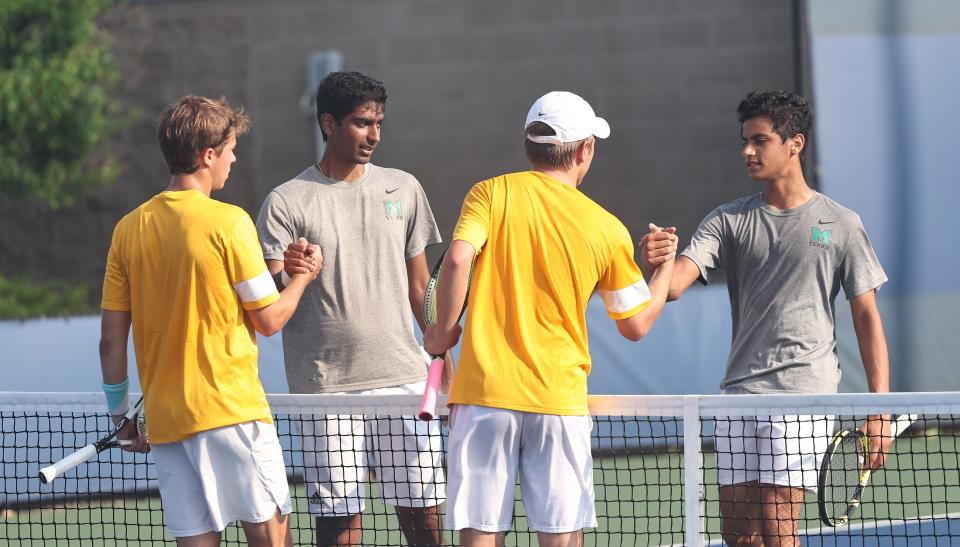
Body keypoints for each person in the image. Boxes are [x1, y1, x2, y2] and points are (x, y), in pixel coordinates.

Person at [423, 91, 678, 547]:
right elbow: (636, 325)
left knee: (480, 536)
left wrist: (441, 334)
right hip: (559, 401)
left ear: (530, 145)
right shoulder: (606, 227)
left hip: (484, 396)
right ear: (585, 150)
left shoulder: (490, 192)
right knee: (561, 539)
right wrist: (663, 271)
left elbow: (459, 258)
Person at [666, 90, 892, 546]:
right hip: (738, 396)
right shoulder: (726, 221)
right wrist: (660, 260)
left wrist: (880, 408)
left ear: (795, 143)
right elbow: (672, 286)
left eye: (760, 140)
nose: (747, 151)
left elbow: (866, 316)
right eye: (745, 141)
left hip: (803, 394)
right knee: (737, 533)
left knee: (776, 523)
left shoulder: (841, 223)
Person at [99, 95, 321, 547]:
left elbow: (110, 342)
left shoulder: (127, 229)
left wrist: (121, 418)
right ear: (207, 155)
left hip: (166, 423)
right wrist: (301, 278)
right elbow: (269, 320)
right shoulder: (230, 222)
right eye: (231, 149)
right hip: (232, 413)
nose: (234, 158)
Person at [256, 71, 447, 547]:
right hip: (325, 387)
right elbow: (275, 289)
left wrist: (444, 359)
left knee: (425, 517)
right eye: (362, 123)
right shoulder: (284, 201)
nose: (375, 135)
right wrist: (290, 272)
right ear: (328, 123)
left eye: (379, 123)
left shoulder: (403, 188)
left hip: (405, 379)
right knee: (337, 523)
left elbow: (420, 285)